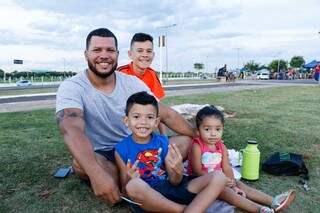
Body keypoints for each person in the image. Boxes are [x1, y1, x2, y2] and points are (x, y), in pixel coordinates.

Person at [55, 28, 194, 205]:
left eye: (110, 50)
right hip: (104, 155)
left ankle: (143, 180)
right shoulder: (72, 86)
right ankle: (146, 178)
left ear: (118, 54)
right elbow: (70, 128)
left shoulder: (132, 83)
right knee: (80, 165)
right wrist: (97, 175)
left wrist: (202, 138)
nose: (104, 55)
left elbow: (167, 114)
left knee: (186, 142)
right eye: (97, 50)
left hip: (136, 144)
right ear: (86, 54)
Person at [115, 91, 228, 213]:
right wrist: (129, 177)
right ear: (126, 120)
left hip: (170, 189)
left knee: (219, 177)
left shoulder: (163, 143)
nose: (143, 122)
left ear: (157, 122)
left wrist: (178, 170)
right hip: (148, 198)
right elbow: (125, 191)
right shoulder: (121, 149)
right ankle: (185, 210)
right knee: (133, 186)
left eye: (150, 117)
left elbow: (175, 181)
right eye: (136, 116)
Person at [188, 106, 296, 213]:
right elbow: (197, 171)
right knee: (225, 191)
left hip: (219, 179)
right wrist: (222, 183)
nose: (213, 133)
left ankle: (273, 201)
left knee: (240, 184)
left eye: (217, 129)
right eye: (207, 129)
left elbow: (226, 167)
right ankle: (259, 209)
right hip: (200, 182)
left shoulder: (221, 147)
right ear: (198, 131)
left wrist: (232, 184)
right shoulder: (197, 146)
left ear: (222, 129)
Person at [117, 32, 167, 134]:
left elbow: (159, 108)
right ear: (130, 54)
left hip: (143, 129)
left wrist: (164, 137)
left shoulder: (152, 75)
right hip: (122, 130)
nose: (145, 55)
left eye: (148, 51)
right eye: (140, 51)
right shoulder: (121, 73)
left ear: (153, 55)